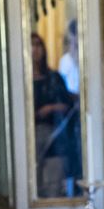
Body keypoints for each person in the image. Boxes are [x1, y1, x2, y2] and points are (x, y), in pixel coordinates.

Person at [30, 32, 79, 197]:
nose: (35, 49)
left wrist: (50, 108)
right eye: (31, 45)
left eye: (38, 44)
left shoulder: (54, 77)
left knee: (53, 183)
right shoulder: (21, 81)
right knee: (33, 182)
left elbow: (68, 105)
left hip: (54, 135)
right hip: (30, 136)